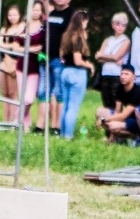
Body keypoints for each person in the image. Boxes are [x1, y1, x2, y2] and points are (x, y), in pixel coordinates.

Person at [34, 0, 74, 136]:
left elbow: (72, 36)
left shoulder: (71, 14)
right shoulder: (52, 14)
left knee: (58, 92)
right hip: (45, 57)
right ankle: (40, 126)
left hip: (59, 59)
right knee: (43, 91)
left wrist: (65, 54)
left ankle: (57, 126)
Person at [58, 10, 95, 140]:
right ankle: (68, 137)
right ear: (82, 21)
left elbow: (62, 57)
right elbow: (77, 60)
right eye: (86, 22)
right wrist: (89, 65)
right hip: (77, 73)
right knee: (73, 108)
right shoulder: (78, 38)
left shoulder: (66, 36)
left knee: (65, 106)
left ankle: (62, 134)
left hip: (65, 72)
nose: (86, 25)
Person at [12, 1, 46, 131]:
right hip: (22, 66)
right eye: (34, 9)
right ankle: (25, 126)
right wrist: (30, 49)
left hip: (35, 68)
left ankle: (16, 120)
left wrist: (41, 49)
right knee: (22, 98)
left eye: (38, 10)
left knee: (29, 99)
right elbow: (15, 47)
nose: (36, 12)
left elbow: (45, 46)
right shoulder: (23, 26)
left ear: (41, 12)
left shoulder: (43, 29)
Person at [94, 64, 140, 142]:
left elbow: (123, 115)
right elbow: (117, 112)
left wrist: (103, 119)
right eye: (122, 74)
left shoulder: (138, 91)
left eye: (126, 74)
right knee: (100, 111)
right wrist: (105, 119)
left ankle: (136, 136)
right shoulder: (120, 88)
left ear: (134, 77)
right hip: (127, 118)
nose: (123, 76)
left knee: (112, 125)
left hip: (138, 121)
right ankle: (116, 138)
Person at [94, 12, 131, 110]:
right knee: (106, 103)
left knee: (116, 103)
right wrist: (111, 58)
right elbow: (98, 58)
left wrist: (103, 56)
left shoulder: (126, 41)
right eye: (118, 24)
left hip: (117, 75)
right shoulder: (107, 40)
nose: (120, 27)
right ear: (113, 24)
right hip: (105, 74)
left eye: (123, 25)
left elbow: (116, 57)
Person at [0, 5, 25, 124]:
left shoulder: (23, 27)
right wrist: (9, 46)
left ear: (19, 15)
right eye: (10, 15)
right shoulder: (4, 29)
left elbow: (17, 46)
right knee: (5, 94)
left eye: (14, 15)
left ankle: (13, 122)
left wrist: (6, 46)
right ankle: (5, 121)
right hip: (4, 63)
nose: (12, 17)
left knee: (13, 94)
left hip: (15, 64)